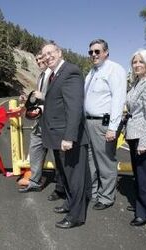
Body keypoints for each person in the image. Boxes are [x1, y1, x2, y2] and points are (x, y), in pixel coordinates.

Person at [41, 42, 90, 229]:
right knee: (67, 177)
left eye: (50, 53)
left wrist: (69, 137)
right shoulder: (55, 75)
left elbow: (74, 107)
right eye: (44, 55)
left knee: (75, 178)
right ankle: (70, 204)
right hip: (57, 137)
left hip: (68, 138)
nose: (47, 57)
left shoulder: (70, 71)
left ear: (59, 53)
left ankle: (76, 216)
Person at [84, 39, 126, 210]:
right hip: (88, 122)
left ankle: (106, 197)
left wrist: (112, 128)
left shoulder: (114, 70)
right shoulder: (92, 72)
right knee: (91, 161)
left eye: (97, 51)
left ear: (106, 52)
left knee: (106, 162)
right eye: (91, 52)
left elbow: (118, 100)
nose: (94, 55)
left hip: (103, 124)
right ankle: (94, 193)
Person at [19, 53, 65, 198]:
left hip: (53, 122)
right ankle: (34, 181)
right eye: (37, 59)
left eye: (41, 59)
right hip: (40, 121)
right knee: (35, 149)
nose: (39, 61)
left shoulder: (55, 75)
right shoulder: (41, 76)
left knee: (57, 155)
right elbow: (40, 97)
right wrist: (29, 100)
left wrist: (42, 100)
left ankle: (61, 187)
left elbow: (58, 98)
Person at [125, 49, 146, 226]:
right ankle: (143, 203)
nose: (137, 65)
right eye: (134, 62)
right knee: (139, 174)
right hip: (134, 134)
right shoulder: (137, 83)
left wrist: (145, 141)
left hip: (143, 136)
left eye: (141, 61)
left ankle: (144, 213)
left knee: (144, 177)